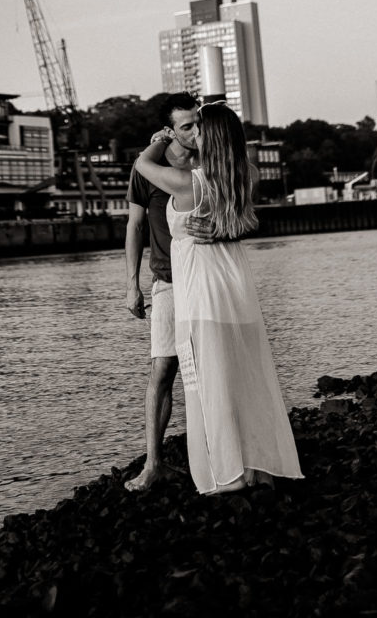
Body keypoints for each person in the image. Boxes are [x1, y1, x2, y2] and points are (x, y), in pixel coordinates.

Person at [135, 101, 303, 494]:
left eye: (199, 128)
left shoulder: (189, 183)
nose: (194, 133)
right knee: (247, 378)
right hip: (237, 289)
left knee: (211, 385)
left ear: (211, 136)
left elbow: (142, 165)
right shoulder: (246, 175)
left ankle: (228, 473)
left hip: (201, 293)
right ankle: (260, 465)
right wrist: (229, 229)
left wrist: (158, 140)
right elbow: (245, 218)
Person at [124, 92, 215, 492]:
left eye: (199, 123)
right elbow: (135, 226)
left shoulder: (211, 161)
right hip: (167, 281)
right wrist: (132, 284)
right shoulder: (151, 168)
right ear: (169, 130)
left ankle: (215, 454)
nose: (196, 132)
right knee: (162, 370)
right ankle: (153, 465)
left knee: (213, 367)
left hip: (208, 279)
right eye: (187, 126)